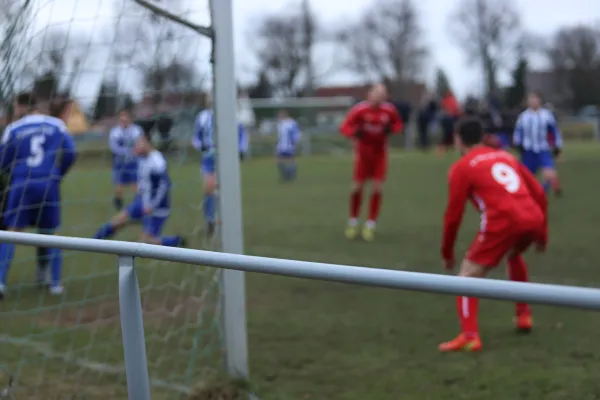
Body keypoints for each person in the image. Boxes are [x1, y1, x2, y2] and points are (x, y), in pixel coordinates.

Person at [439, 118, 548, 352]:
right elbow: (538, 191)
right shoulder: (505, 156)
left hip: (504, 221)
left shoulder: (462, 167)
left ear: (458, 140)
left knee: (467, 276)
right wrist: (543, 233)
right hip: (532, 216)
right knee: (513, 254)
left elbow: (453, 216)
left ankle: (470, 336)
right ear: (482, 137)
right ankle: (523, 315)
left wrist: (447, 252)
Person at [0, 93, 77, 298]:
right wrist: (57, 174)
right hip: (48, 183)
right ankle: (55, 283)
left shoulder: (14, 128)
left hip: (22, 182)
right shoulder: (56, 125)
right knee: (50, 232)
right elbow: (70, 153)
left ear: (22, 106)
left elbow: (3, 160)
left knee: (11, 232)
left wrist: (14, 172)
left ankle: (0, 282)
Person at [93, 131, 185, 247]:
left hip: (157, 208)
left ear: (148, 143)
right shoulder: (142, 158)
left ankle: (175, 241)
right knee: (118, 221)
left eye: (139, 143)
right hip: (142, 201)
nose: (136, 146)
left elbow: (164, 186)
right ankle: (94, 241)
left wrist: (151, 205)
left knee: (145, 242)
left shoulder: (157, 162)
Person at [339, 83, 403, 241]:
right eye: (377, 94)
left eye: (383, 95)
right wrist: (355, 132)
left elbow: (398, 124)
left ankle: (370, 224)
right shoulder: (360, 110)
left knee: (377, 188)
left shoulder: (389, 110)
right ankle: (353, 221)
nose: (380, 97)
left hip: (380, 155)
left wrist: (392, 129)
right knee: (356, 189)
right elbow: (344, 127)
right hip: (363, 155)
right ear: (370, 95)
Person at [191, 98, 248, 237]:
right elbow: (195, 137)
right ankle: (210, 220)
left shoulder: (231, 115)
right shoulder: (202, 117)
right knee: (209, 188)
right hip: (209, 158)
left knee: (226, 190)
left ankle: (227, 221)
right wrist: (200, 146)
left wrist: (241, 149)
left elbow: (242, 134)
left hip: (227, 158)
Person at [513, 92, 563, 196]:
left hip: (543, 149)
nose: (533, 101)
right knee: (526, 178)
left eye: (535, 99)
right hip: (528, 151)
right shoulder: (523, 116)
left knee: (549, 174)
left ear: (539, 100)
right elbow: (518, 132)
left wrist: (557, 148)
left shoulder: (547, 115)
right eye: (531, 99)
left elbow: (554, 132)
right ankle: (531, 194)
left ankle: (542, 191)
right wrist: (518, 145)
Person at [109, 110, 143, 210]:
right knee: (119, 185)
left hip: (133, 163)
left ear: (130, 118)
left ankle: (139, 203)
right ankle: (118, 202)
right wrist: (126, 152)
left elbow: (140, 143)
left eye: (126, 117)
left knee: (135, 184)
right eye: (121, 117)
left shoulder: (137, 130)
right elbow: (113, 146)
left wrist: (136, 151)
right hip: (119, 163)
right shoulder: (115, 132)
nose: (123, 119)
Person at [275, 109, 301, 182]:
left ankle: (291, 176)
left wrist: (295, 143)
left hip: (289, 145)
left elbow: (296, 134)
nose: (279, 116)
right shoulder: (280, 123)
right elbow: (279, 136)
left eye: (280, 114)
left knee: (291, 160)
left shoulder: (291, 123)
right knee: (279, 160)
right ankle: (285, 176)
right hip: (281, 146)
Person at [437, 90, 461, 155]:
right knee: (451, 133)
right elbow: (457, 109)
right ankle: (446, 147)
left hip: (447, 118)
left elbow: (442, 107)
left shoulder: (445, 100)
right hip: (451, 118)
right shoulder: (453, 100)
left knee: (447, 133)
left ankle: (445, 147)